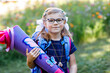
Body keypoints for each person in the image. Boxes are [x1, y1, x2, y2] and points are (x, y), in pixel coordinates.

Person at [26, 7, 77, 73]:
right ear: (44, 23)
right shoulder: (39, 42)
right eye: (51, 20)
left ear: (64, 22)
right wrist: (29, 60)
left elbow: (73, 65)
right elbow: (32, 66)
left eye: (59, 20)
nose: (55, 23)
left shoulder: (68, 42)